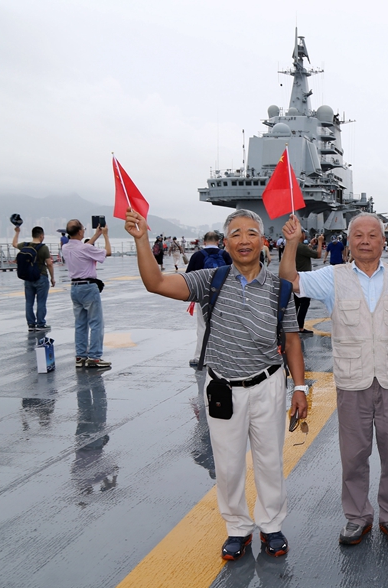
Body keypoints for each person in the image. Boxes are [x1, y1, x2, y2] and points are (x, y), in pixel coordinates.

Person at [125, 208, 308, 560]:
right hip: (223, 384)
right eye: (236, 233)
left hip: (268, 383)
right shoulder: (210, 280)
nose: (244, 240)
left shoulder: (279, 288)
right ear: (225, 243)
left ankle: (271, 525)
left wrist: (299, 388)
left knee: (270, 460)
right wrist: (142, 240)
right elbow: (156, 283)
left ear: (262, 241)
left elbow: (293, 338)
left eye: (251, 233)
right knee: (227, 464)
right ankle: (238, 527)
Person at [279, 212, 388, 547]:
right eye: (358, 235)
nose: (365, 241)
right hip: (352, 379)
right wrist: (290, 244)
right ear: (349, 240)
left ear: (384, 241)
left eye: (373, 235)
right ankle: (357, 517)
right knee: (354, 455)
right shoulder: (333, 276)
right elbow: (290, 280)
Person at [61, 219, 111, 368]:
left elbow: (82, 248)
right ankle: (95, 357)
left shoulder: (65, 248)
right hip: (88, 287)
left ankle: (80, 356)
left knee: (80, 324)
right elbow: (107, 252)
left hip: (75, 288)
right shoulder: (83, 248)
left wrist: (96, 236)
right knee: (96, 323)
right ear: (81, 232)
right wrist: (106, 236)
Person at [185, 231, 232, 368]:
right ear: (218, 241)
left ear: (204, 242)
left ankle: (200, 356)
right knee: (223, 326)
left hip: (203, 296)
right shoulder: (225, 255)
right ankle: (224, 356)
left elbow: (188, 277)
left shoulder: (197, 256)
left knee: (202, 326)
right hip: (223, 295)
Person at [12, 225, 55, 331]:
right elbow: (49, 263)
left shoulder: (25, 245)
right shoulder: (43, 247)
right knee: (41, 302)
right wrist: (52, 277)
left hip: (28, 278)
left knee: (29, 302)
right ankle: (41, 324)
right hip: (41, 277)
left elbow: (14, 244)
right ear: (41, 235)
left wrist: (17, 232)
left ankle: (31, 324)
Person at [293, 230, 323, 334]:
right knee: (305, 303)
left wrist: (310, 244)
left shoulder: (295, 246)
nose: (305, 235)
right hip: (304, 279)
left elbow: (305, 252)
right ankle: (300, 326)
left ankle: (293, 325)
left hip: (296, 277)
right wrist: (320, 242)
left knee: (296, 303)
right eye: (303, 233)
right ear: (300, 234)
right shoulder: (301, 247)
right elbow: (318, 255)